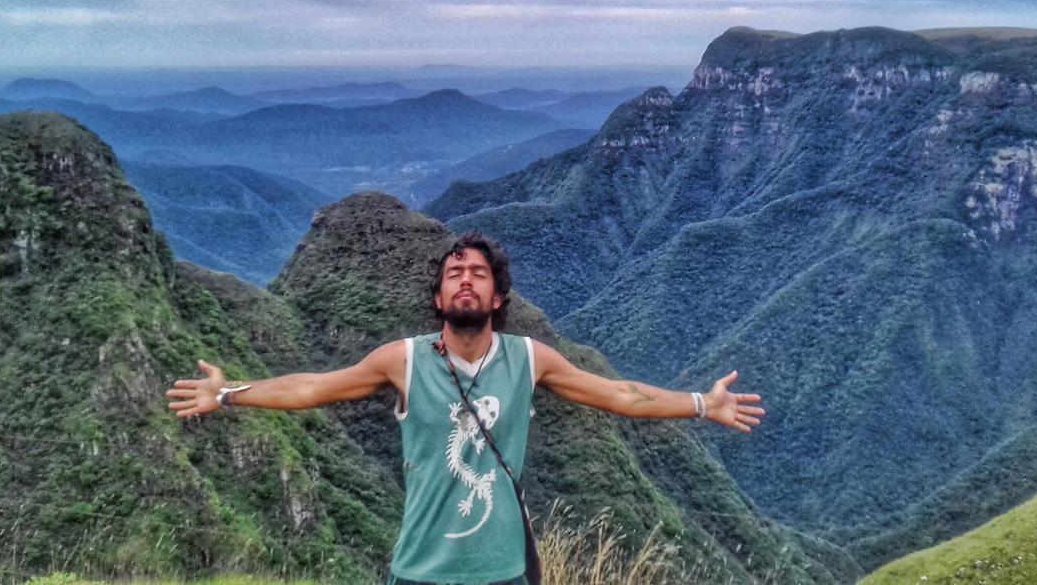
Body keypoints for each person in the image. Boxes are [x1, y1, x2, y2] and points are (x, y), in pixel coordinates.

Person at [167, 230, 765, 585]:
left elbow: (620, 395)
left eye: (478, 274)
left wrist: (700, 404)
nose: (465, 280)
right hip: (420, 571)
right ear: (437, 296)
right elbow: (312, 387)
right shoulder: (401, 360)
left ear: (497, 296)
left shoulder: (531, 358)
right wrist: (226, 394)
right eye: (454, 273)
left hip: (501, 573)